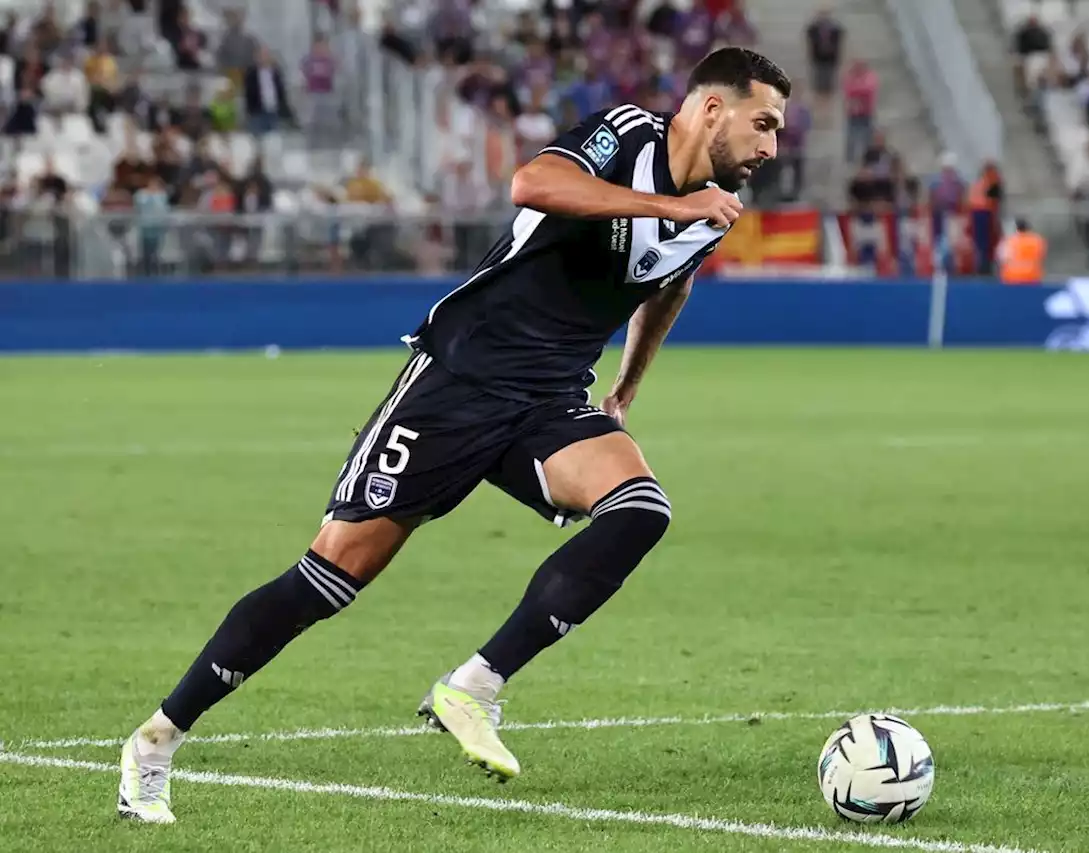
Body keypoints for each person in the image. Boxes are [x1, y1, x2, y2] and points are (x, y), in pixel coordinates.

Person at [116, 46, 790, 823]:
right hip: (459, 380)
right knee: (331, 576)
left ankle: (475, 685)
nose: (771, 148)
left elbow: (670, 284)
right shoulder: (627, 133)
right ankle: (157, 741)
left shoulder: (710, 211)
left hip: (548, 398)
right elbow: (532, 182)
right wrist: (671, 208)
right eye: (763, 124)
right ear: (712, 108)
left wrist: (627, 386)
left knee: (640, 508)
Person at [997, 218, 1046, 285]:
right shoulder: (1037, 240)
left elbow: (1001, 258)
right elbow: (1041, 255)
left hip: (1011, 278)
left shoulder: (1008, 241)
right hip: (1032, 277)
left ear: (1016, 228)